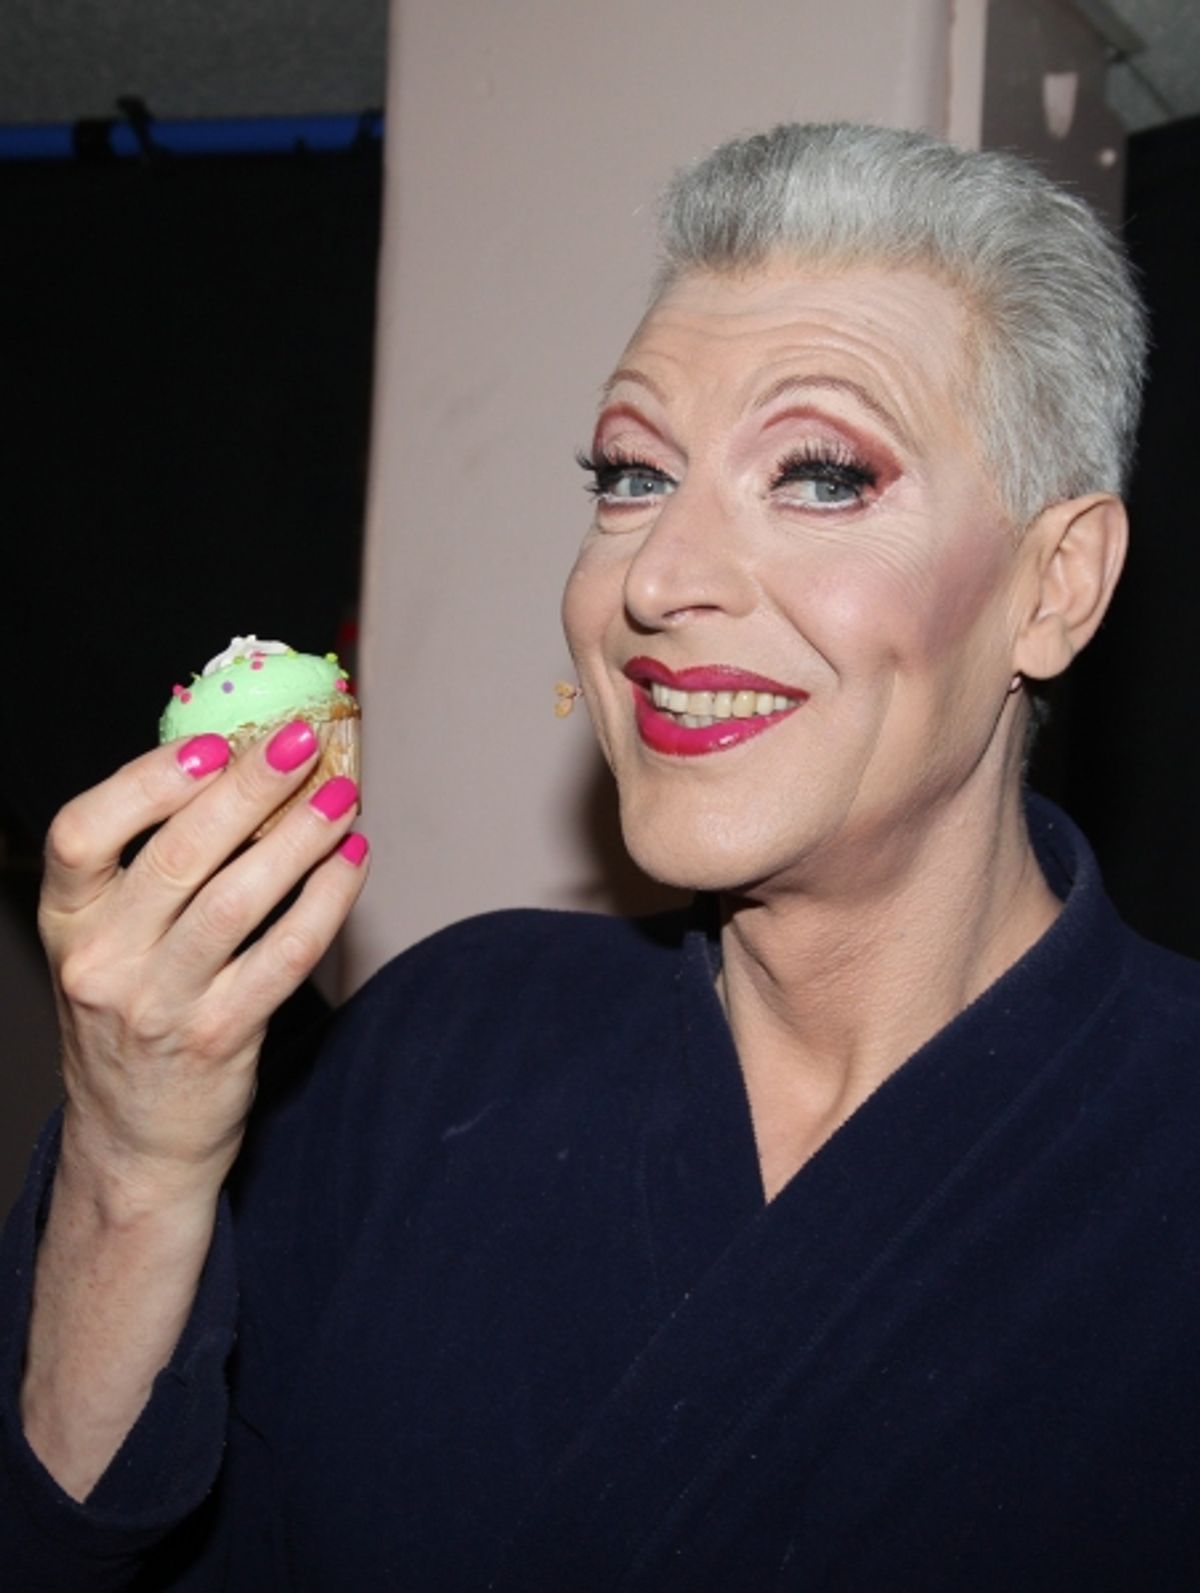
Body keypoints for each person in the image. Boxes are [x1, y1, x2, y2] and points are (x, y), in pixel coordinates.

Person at [3, 122, 1199, 1590]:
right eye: (630, 475)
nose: (654, 576)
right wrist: (134, 1159)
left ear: (1057, 584)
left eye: (821, 475)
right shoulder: (437, 1043)